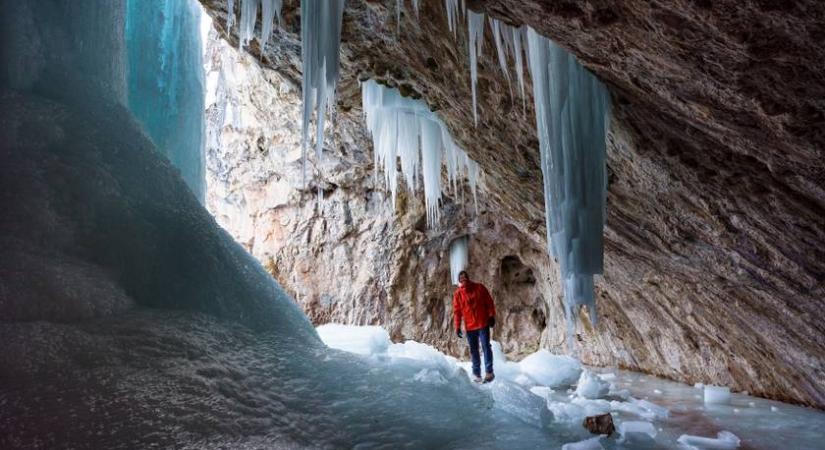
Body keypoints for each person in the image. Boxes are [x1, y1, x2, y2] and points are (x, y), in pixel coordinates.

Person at [453, 270, 496, 383]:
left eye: (464, 277)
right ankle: (476, 374)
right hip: (470, 327)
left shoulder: (479, 288)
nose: (463, 279)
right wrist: (457, 327)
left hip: (483, 323)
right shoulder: (458, 294)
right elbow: (457, 312)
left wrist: (491, 316)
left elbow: (489, 302)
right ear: (459, 280)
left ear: (468, 277)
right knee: (474, 350)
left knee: (486, 347)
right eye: (461, 278)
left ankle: (489, 372)